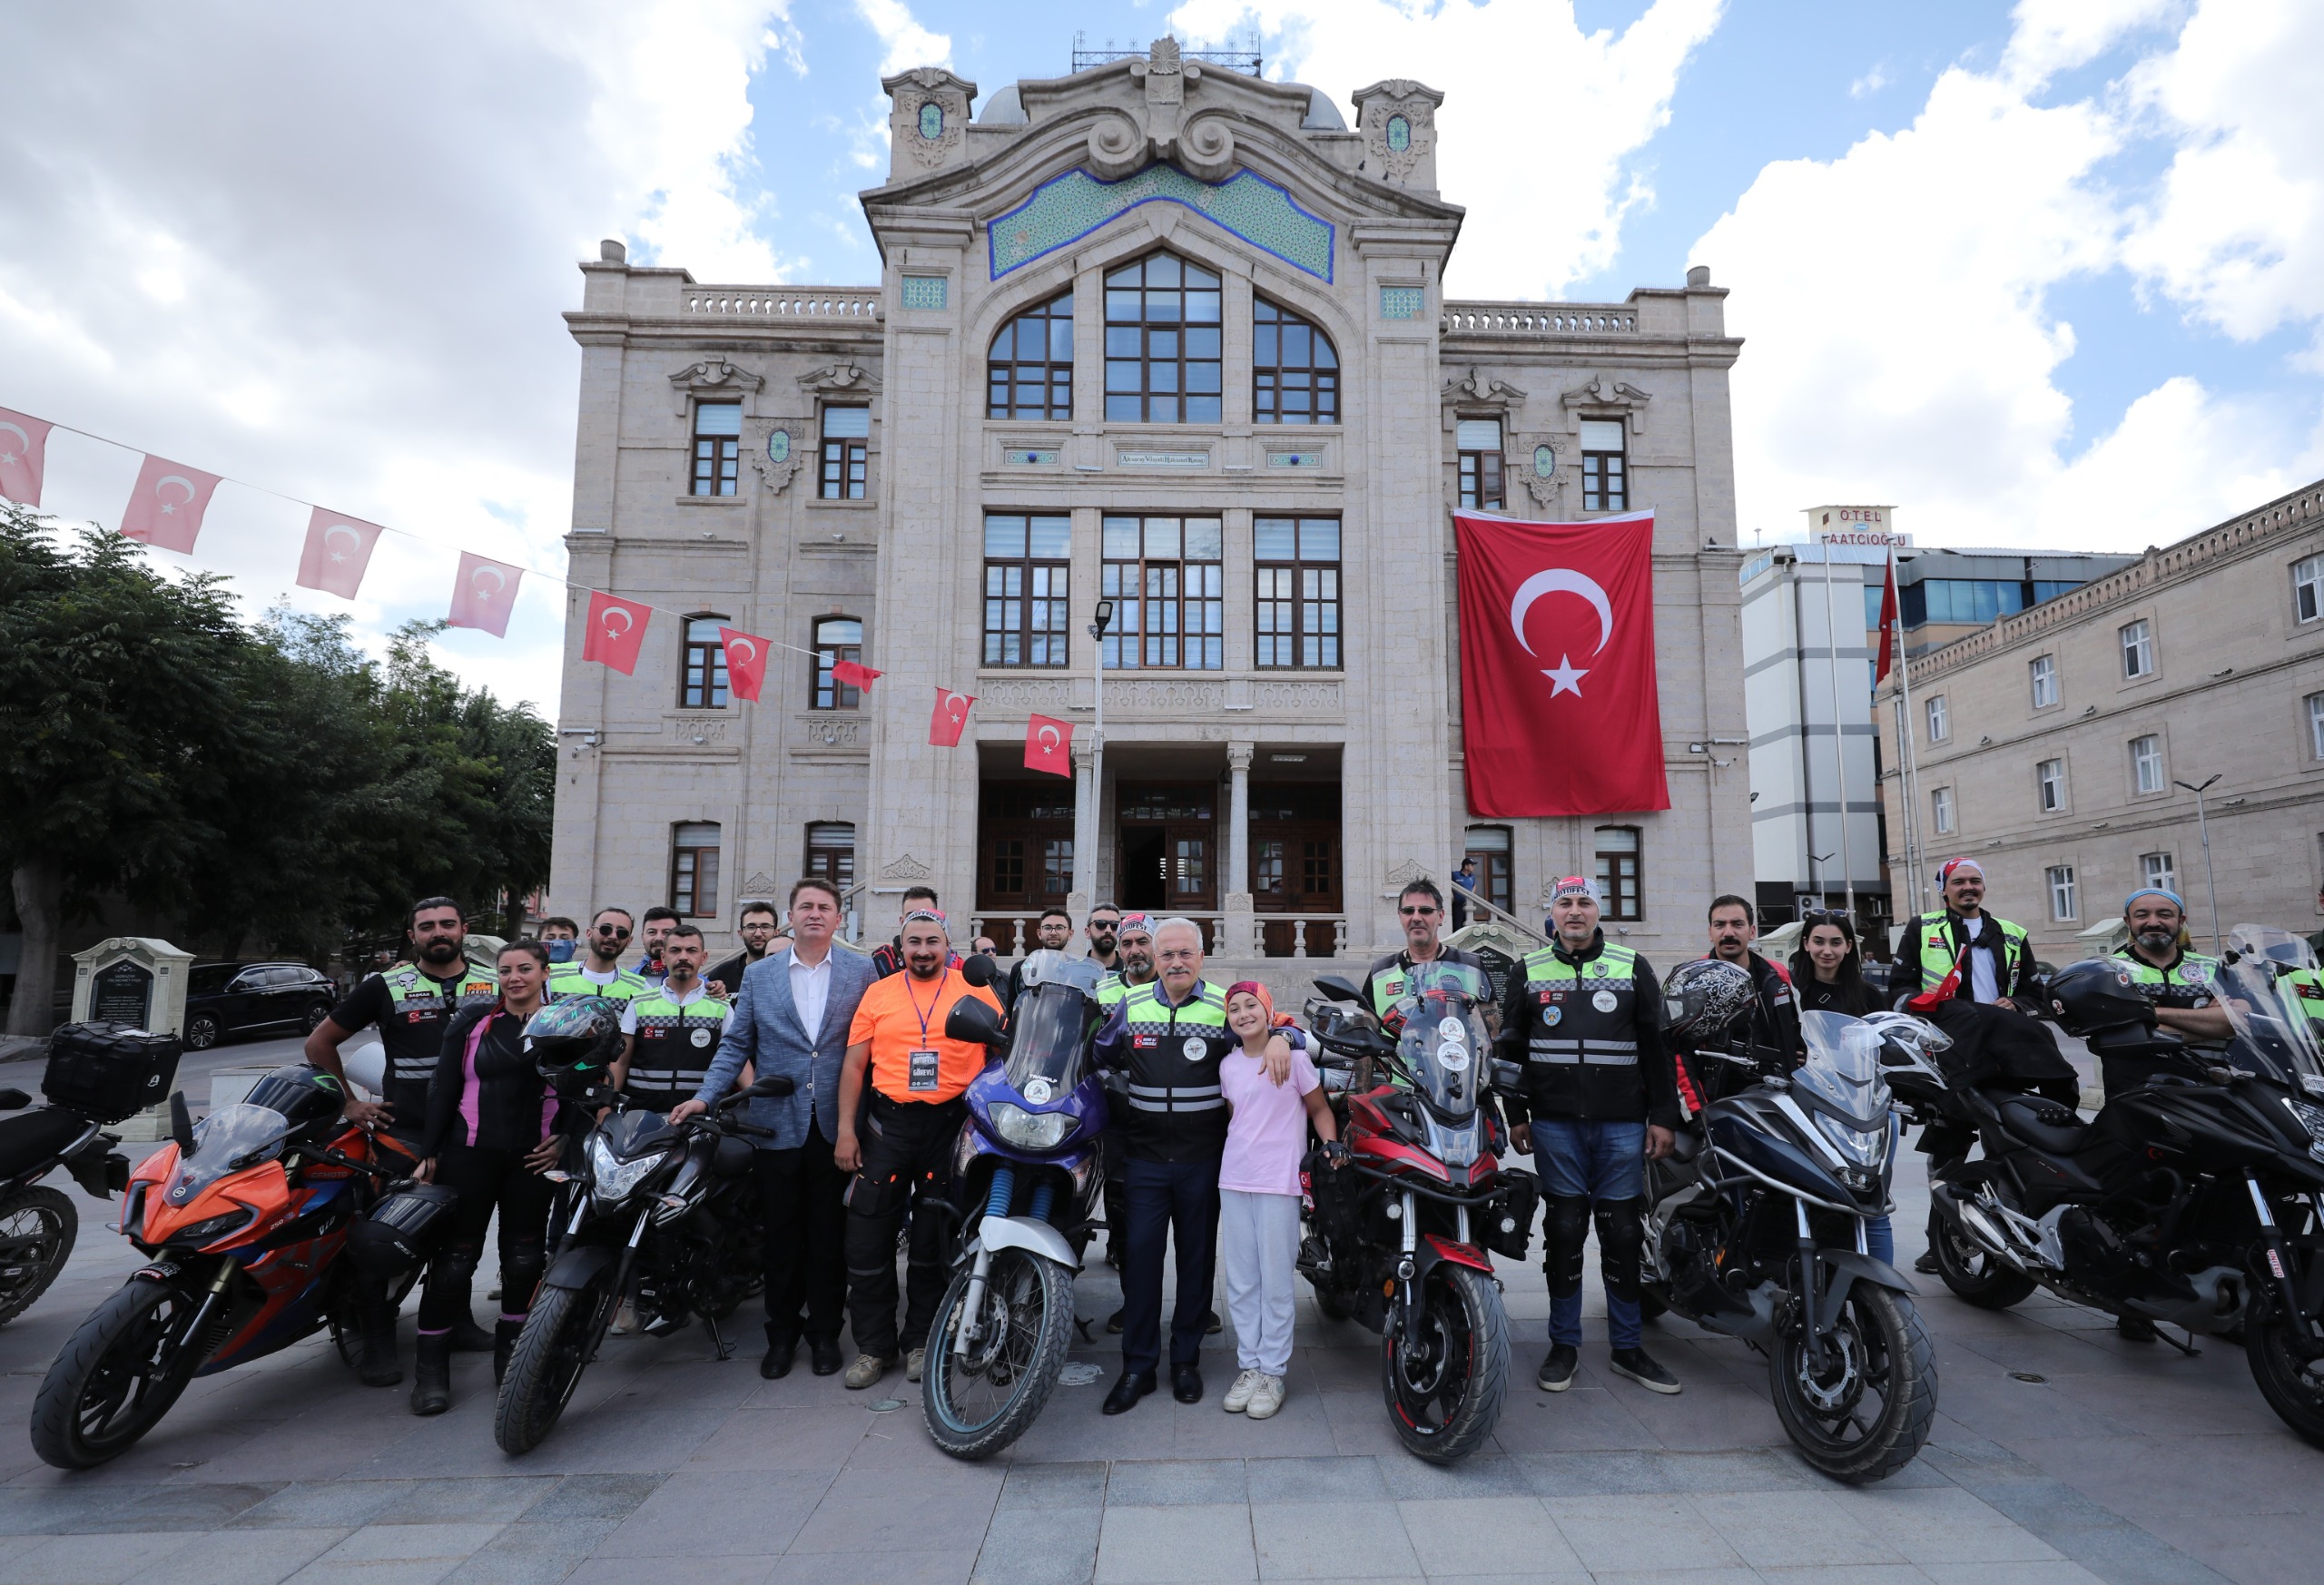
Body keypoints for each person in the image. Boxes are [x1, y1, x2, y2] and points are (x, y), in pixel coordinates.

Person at [674, 877, 872, 1380]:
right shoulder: (761, 977)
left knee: (828, 1238)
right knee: (780, 1238)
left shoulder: (862, 970)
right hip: (776, 1127)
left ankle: (825, 1334)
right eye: (805, 905)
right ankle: (780, 1336)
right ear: (791, 915)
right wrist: (705, 1096)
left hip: (835, 1126)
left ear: (838, 919)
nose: (815, 914)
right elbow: (735, 1045)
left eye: (825, 907)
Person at [1499, 877, 1682, 1396]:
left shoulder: (1630, 965)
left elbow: (1657, 1046)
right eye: (1564, 902)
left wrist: (1663, 1116)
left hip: (1623, 1123)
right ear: (1550, 912)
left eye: (1584, 903)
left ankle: (1627, 1348)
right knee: (1564, 1230)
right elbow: (1510, 1049)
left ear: (1598, 911)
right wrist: (1516, 1114)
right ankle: (1564, 1345)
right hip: (1555, 1124)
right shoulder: (1528, 970)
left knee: (1622, 1233)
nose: (1574, 912)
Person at [1096, 918, 1282, 1413]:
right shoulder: (1130, 1004)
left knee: (1197, 1264)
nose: (1176, 963)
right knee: (1140, 1263)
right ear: (1155, 960)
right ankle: (1137, 1367)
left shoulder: (1223, 1004)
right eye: (1167, 955)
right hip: (1144, 1160)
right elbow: (1100, 1054)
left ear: (1201, 957)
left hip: (1203, 1160)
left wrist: (1287, 1039)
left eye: (1185, 954)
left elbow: (1268, 1029)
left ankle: (1185, 1362)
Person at [306, 896, 498, 1368]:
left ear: (463, 930)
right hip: (404, 1137)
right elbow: (319, 1043)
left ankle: (456, 1322)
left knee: (462, 1238)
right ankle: (376, 1339)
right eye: (427, 926)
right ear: (412, 935)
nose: (439, 933)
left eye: (447, 924)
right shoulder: (385, 986)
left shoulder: (494, 984)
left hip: (474, 1135)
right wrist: (349, 1101)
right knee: (383, 1239)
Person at [832, 907, 1000, 1389]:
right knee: (867, 1237)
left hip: (950, 1126)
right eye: (914, 942)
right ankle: (872, 1347)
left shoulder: (975, 987)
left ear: (948, 946)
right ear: (900, 946)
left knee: (934, 1239)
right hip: (888, 1126)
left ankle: (920, 1341)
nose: (923, 950)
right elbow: (852, 1068)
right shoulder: (878, 994)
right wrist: (847, 1130)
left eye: (932, 941)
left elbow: (1001, 1050)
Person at [409, 940, 563, 1413]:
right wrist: (429, 1152)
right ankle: (430, 1373)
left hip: (532, 1159)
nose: (514, 977)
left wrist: (564, 1140)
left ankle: (511, 1361)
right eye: (505, 970)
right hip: (469, 1155)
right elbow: (443, 1087)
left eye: (524, 969)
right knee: (455, 1261)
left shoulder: (565, 1021)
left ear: (543, 972)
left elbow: (585, 1086)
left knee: (523, 1260)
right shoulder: (474, 1020)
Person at [1217, 980, 1341, 1422]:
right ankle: (1249, 1366)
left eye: (1252, 1004)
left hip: (1278, 1183)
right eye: (1235, 1007)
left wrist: (1332, 1147)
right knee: (1242, 1280)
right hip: (1234, 1180)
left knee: (1274, 1280)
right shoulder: (1229, 1066)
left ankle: (1273, 1371)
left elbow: (1320, 1109)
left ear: (1269, 1011)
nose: (1243, 1012)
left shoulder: (1296, 1058)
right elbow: (1238, 1119)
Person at [1097, 912, 1158, 1306]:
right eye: (1127, 944)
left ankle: (1197, 1308)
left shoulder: (1176, 986)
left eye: (1142, 942)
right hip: (1117, 1120)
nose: (1134, 950)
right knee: (1120, 1210)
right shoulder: (1099, 990)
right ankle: (1131, 1303)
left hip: (1172, 1121)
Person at [613, 925, 734, 1112]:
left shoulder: (721, 1006)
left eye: (691, 950)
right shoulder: (640, 1002)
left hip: (700, 1116)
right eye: (675, 950)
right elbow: (621, 1061)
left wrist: (753, 1100)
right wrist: (606, 1106)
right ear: (663, 957)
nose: (683, 957)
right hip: (641, 1114)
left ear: (704, 957)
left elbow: (735, 1058)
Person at [2113, 889, 2228, 1046]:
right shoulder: (2109, 969)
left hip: (2212, 1070)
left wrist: (2147, 1013)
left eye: (2164, 915)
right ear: (2128, 922)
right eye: (2142, 915)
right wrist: (2209, 1026)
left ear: (2181, 921)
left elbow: (2237, 1022)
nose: (2153, 922)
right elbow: (2120, 1032)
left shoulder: (2212, 967)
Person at [1705, 895, 1802, 1058]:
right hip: (1719, 1082)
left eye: (1737, 924)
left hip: (1776, 1079)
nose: (1728, 932)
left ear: (1752, 932)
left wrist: (1799, 1057)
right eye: (1720, 925)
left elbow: (1801, 1026)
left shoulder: (1779, 975)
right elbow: (1680, 1049)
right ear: (1710, 932)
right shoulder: (1692, 979)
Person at [547, 908, 654, 1008]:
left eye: (622, 933)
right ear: (589, 933)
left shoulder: (640, 988)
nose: (613, 936)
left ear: (629, 941)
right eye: (605, 929)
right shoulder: (551, 975)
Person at [1789, 912, 1878, 1018]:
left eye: (1836, 943)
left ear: (1848, 946)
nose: (1827, 951)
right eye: (1818, 942)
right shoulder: (1791, 992)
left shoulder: (1869, 994)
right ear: (1806, 943)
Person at [706, 899, 782, 999]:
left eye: (765, 926)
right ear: (740, 933)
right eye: (751, 927)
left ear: (776, 932)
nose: (758, 934)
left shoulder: (787, 972)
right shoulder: (722, 974)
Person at [1006, 908, 1075, 1011]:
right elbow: (1012, 1011)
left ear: (1070, 934)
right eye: (1047, 928)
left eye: (1060, 928)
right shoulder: (1022, 969)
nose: (1053, 932)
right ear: (1039, 933)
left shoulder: (1078, 969)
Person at [872, 886, 945, 978]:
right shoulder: (878, 964)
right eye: (912, 916)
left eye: (927, 914)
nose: (919, 920)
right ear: (902, 922)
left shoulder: (957, 965)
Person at [635, 906, 680, 985]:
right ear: (642, 937)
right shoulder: (626, 979)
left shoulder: (701, 984)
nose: (658, 938)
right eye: (652, 932)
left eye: (666, 932)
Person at [1086, 905, 1124, 975]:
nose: (1108, 930)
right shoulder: (1075, 970)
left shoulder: (1131, 971)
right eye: (1100, 924)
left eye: (1115, 925)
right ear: (1088, 932)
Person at [1452, 857, 1481, 928]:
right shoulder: (1455, 875)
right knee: (1457, 925)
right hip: (1458, 904)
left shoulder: (1472, 877)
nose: (1473, 867)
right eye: (1471, 865)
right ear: (1466, 866)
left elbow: (1474, 885)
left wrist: (1471, 894)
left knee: (1468, 926)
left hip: (1469, 904)